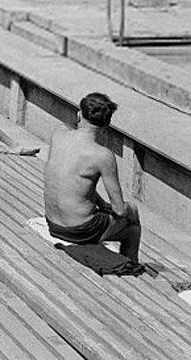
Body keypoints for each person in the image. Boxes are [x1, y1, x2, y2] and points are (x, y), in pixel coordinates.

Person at [43, 92, 141, 262]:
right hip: (80, 230)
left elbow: (72, 180)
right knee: (133, 218)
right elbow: (119, 210)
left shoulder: (59, 133)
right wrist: (127, 210)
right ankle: (130, 266)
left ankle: (126, 265)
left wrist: (101, 203)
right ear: (107, 124)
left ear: (79, 114)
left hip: (53, 223)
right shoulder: (103, 156)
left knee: (129, 230)